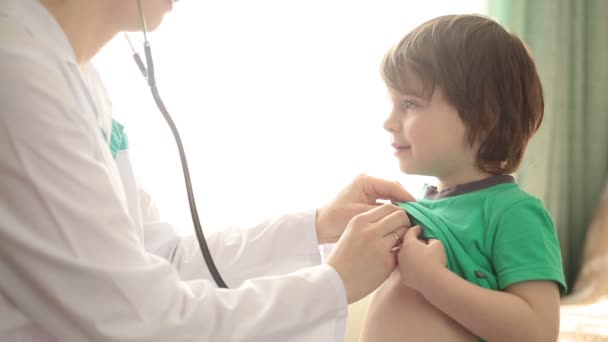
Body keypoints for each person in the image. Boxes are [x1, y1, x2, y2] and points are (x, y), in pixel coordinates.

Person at [0, 1, 415, 341]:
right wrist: (334, 284)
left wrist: (316, 226)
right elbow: (138, 322)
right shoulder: (18, 76)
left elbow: (162, 257)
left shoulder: (76, 76)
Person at [359, 14, 567, 342]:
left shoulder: (513, 213)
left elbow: (537, 333)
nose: (389, 121)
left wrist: (432, 280)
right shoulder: (418, 206)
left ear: (483, 116)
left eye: (410, 103)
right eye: (393, 104)